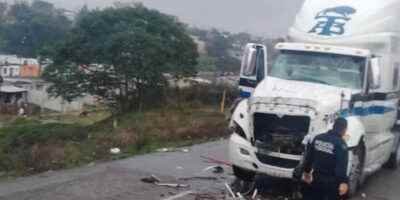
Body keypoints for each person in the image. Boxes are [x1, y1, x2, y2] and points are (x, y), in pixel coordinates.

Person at [302, 117, 349, 200]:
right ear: (344, 130)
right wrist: (343, 182)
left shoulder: (318, 138)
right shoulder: (341, 144)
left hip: (316, 179)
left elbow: (309, 157)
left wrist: (306, 171)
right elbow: (341, 166)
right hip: (332, 184)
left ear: (333, 126)